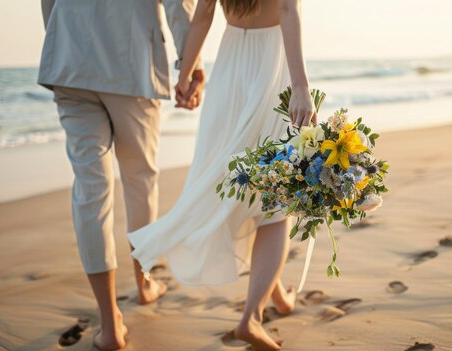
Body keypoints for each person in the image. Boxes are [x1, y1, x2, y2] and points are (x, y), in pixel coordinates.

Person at [128, 0, 315, 349]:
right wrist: (301, 86)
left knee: (246, 184)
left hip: (230, 68)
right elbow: (288, 10)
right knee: (276, 202)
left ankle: (279, 299)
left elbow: (202, 15)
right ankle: (252, 318)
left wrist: (184, 76)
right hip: (272, 66)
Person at [38, 0, 205, 349]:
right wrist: (190, 68)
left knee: (90, 189)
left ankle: (111, 320)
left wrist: (62, 38)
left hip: (70, 61)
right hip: (133, 66)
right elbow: (179, 5)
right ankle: (143, 286)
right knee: (140, 181)